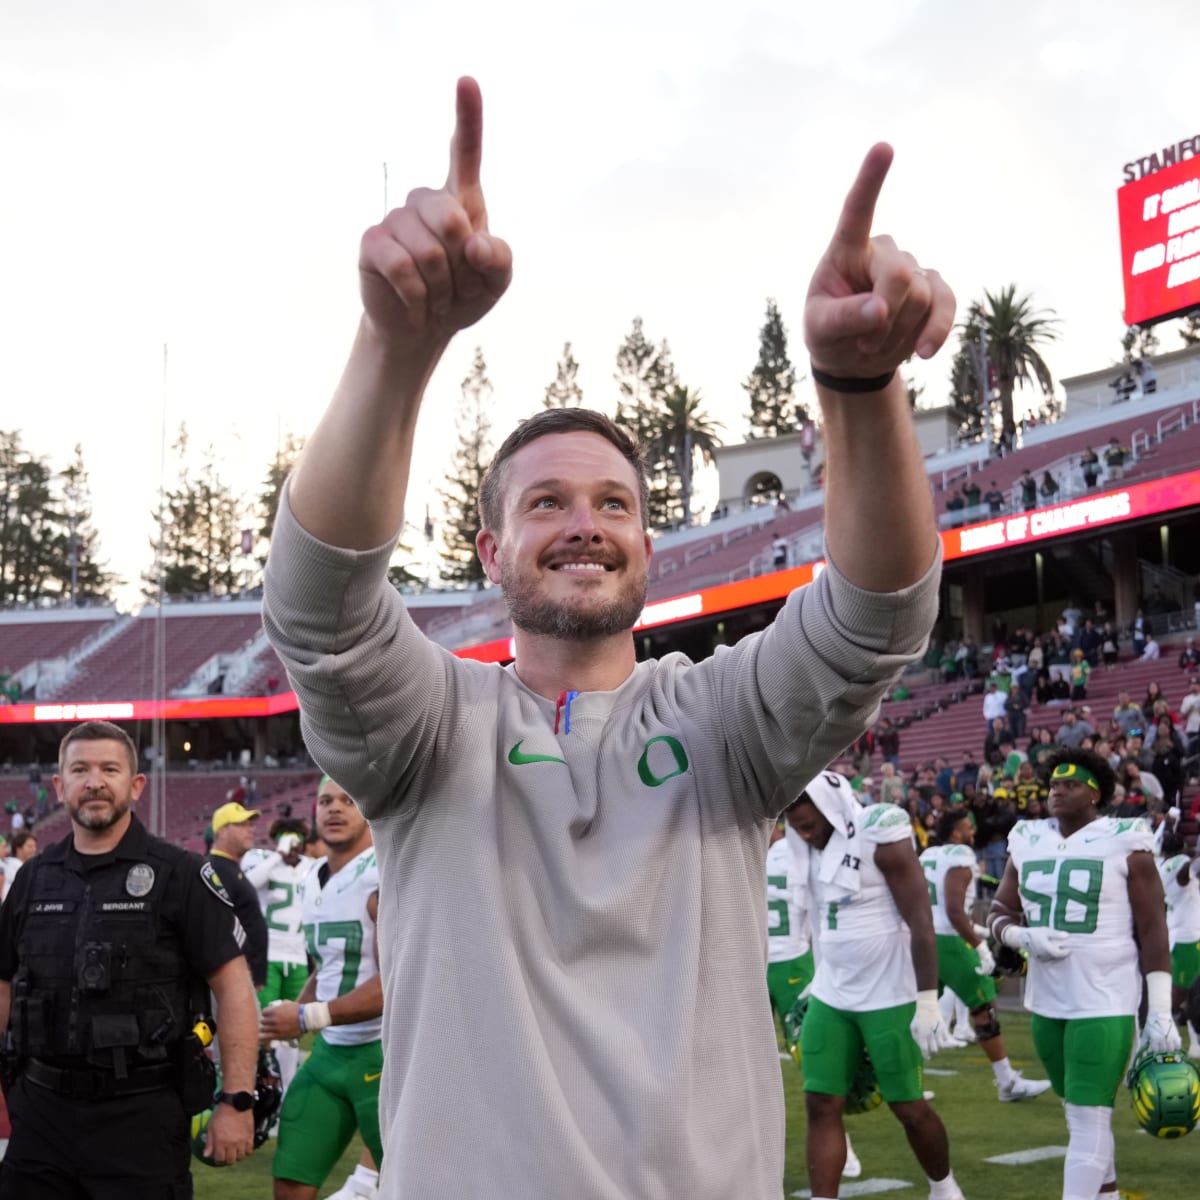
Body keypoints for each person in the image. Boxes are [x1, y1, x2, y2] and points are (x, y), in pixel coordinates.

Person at [262, 78, 950, 1199]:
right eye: (544, 504)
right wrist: (398, 351)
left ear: (649, 548)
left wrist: (860, 385)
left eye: (613, 504)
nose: (583, 522)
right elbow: (318, 615)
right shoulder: (431, 732)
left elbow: (877, 616)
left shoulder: (724, 723)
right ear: (489, 552)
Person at [0, 720, 258, 1195]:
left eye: (109, 769)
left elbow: (233, 988)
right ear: (60, 786)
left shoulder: (179, 874)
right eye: (80, 769)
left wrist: (237, 1100)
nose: (94, 781)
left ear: (135, 785)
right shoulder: (33, 879)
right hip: (40, 1113)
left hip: (141, 1116)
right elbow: (2, 980)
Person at [988, 748, 1180, 1200]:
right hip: (1047, 1001)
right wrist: (1018, 937)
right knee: (1077, 1111)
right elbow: (1001, 908)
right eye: (1053, 783)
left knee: (1088, 1119)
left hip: (1105, 999)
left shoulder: (1125, 838)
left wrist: (1160, 1010)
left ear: (1095, 793)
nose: (1056, 790)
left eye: (1069, 784)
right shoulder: (1028, 838)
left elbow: (1153, 928)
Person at [787, 772, 965, 1200]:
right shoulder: (804, 846)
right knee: (821, 1102)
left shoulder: (878, 830)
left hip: (888, 992)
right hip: (833, 992)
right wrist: (816, 978)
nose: (804, 834)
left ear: (831, 810)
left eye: (809, 824)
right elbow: (820, 919)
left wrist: (927, 1002)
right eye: (797, 827)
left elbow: (921, 922)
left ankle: (944, 1188)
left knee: (908, 1106)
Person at [258, 777, 384, 1200]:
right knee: (291, 1180)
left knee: (411, 1182)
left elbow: (396, 984)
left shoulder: (381, 873)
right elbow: (328, 966)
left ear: (366, 808)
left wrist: (309, 1016)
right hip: (331, 1051)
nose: (334, 808)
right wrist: (293, 1012)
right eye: (326, 800)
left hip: (384, 1053)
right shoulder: (313, 876)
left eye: (349, 799)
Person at [919, 810, 1050, 1101]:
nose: (973, 831)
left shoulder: (928, 854)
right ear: (955, 833)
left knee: (916, 1010)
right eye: (968, 826)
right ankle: (1007, 1083)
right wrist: (978, 946)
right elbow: (953, 911)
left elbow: (940, 908)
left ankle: (904, 1082)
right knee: (984, 1007)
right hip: (950, 942)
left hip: (924, 938)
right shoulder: (961, 855)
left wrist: (977, 930)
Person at [765, 817, 862, 1181]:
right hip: (793, 962)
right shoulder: (797, 857)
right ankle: (843, 1144)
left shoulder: (746, 856)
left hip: (754, 962)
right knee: (811, 1060)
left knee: (745, 1059)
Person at [242, 816, 315, 1091]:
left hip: (298, 958)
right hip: (269, 956)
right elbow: (247, 887)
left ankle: (286, 1090)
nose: (292, 844)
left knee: (291, 1027)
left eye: (295, 838)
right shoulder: (266, 865)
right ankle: (252, 1083)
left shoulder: (312, 868)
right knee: (262, 1026)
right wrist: (277, 857)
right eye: (286, 837)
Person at [205, 800, 270, 990]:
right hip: (233, 979)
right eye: (241, 825)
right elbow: (218, 929)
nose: (249, 830)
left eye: (250, 824)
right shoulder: (216, 869)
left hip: (245, 977)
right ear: (221, 831)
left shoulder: (232, 869)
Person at [1157, 811, 1200, 1060]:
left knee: (1184, 992)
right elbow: (1185, 875)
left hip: (1182, 932)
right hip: (1188, 935)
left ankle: (1163, 1025)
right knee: (1186, 991)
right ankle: (1186, 1036)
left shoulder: (1162, 864)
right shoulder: (1178, 865)